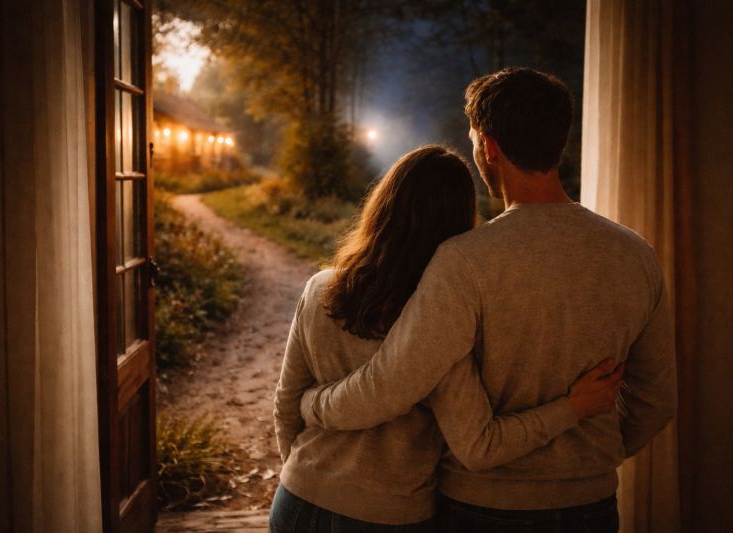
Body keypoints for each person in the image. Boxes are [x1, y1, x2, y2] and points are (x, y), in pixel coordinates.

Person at [299, 68, 676, 533]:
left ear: (489, 148)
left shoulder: (463, 261)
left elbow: (390, 386)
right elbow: (656, 401)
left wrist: (312, 405)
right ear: (559, 142)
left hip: (483, 507)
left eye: (474, 141)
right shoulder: (635, 254)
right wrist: (590, 461)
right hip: (592, 504)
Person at [270, 145, 625, 532]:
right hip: (388, 516)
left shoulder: (320, 288)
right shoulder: (440, 320)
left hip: (298, 498)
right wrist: (572, 407)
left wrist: (306, 470)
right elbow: (481, 444)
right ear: (458, 223)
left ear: (382, 205)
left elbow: (286, 404)